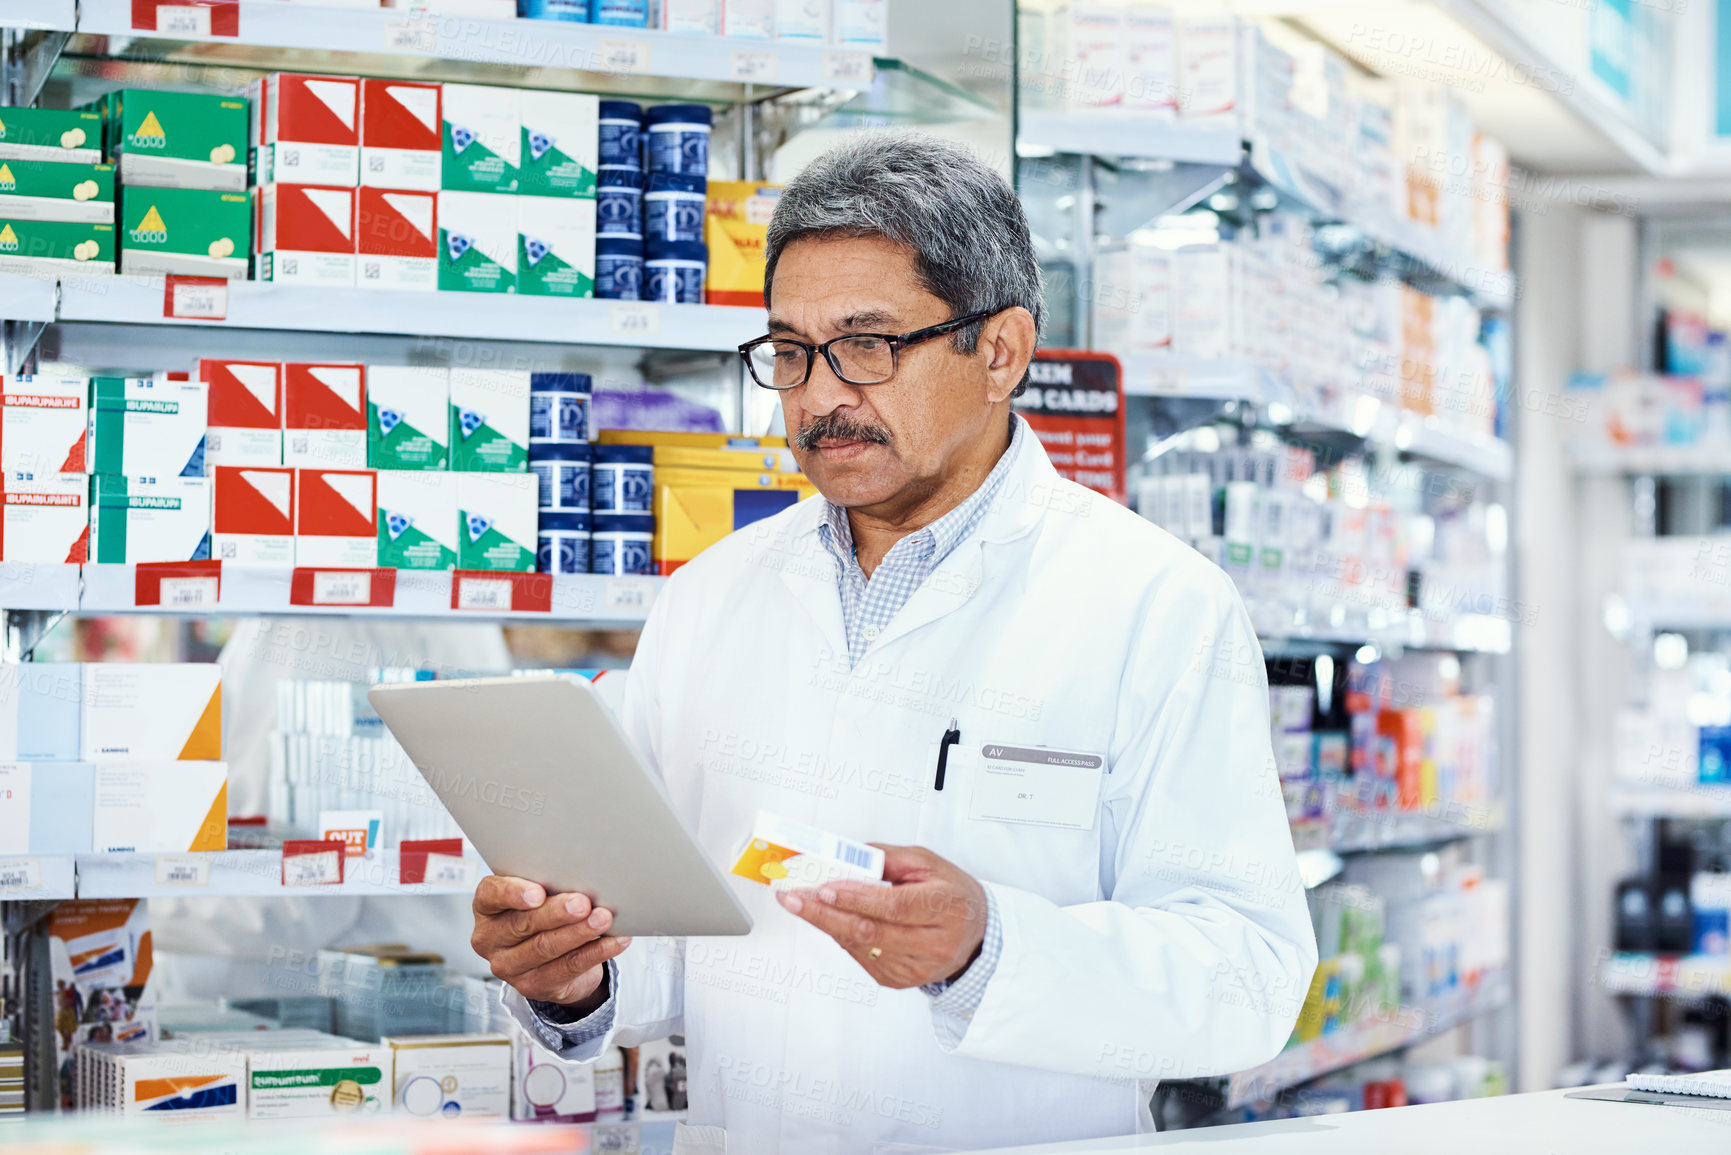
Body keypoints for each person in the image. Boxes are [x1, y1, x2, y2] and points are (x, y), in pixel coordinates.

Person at [474, 131, 1318, 1154]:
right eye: (790, 352)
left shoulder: (1154, 605)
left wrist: (989, 948)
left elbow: (1248, 975)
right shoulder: (709, 600)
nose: (821, 394)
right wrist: (577, 972)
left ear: (1000, 351)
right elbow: (678, 926)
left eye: (868, 345)